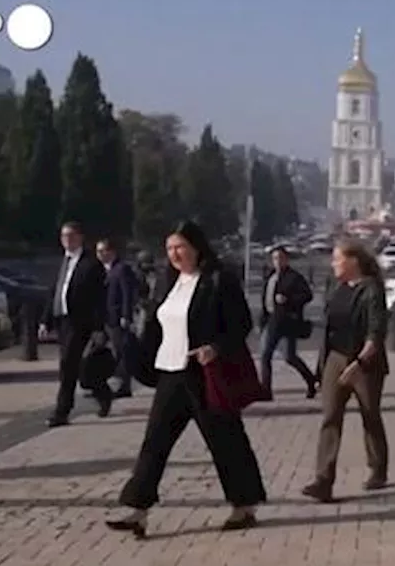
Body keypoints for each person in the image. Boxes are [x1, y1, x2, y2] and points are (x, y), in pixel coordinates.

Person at [106, 221, 267, 537]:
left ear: (196, 247)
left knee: (225, 440)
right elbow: (156, 323)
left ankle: (244, 505)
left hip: (204, 373)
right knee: (154, 442)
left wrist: (215, 348)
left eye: (179, 247)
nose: (174, 254)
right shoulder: (169, 282)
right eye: (169, 249)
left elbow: (241, 323)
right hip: (171, 372)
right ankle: (137, 510)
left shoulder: (218, 280)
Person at [302, 239, 391, 503]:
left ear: (353, 261)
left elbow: (376, 334)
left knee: (370, 415)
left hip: (365, 364)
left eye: (337, 259)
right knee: (330, 416)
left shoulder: (372, 290)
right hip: (335, 359)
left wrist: (359, 364)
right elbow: (329, 330)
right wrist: (322, 368)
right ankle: (323, 480)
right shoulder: (337, 287)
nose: (333, 264)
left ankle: (378, 468)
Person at [40, 222, 113, 426]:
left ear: (80, 237)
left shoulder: (91, 264)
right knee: (74, 366)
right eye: (64, 236)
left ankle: (62, 411)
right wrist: (45, 321)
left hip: (81, 321)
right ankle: (102, 392)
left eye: (71, 236)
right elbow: (54, 291)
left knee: (68, 365)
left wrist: (99, 327)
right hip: (63, 319)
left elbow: (100, 298)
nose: (67, 240)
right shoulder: (63, 262)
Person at [259, 245, 319, 399]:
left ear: (286, 260)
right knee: (267, 355)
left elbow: (307, 295)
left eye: (280, 258)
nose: (277, 261)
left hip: (286, 322)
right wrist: (262, 321)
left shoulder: (294, 277)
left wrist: (289, 300)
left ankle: (311, 381)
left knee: (288, 357)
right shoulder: (270, 277)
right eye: (274, 258)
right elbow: (265, 301)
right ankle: (266, 391)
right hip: (271, 321)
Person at [96, 238, 138, 398]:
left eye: (102, 251)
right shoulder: (102, 270)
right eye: (97, 251)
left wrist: (125, 315)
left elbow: (127, 293)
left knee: (120, 351)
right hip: (104, 318)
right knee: (98, 350)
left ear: (111, 251)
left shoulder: (121, 269)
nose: (99, 255)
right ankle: (99, 382)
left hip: (116, 317)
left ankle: (124, 385)